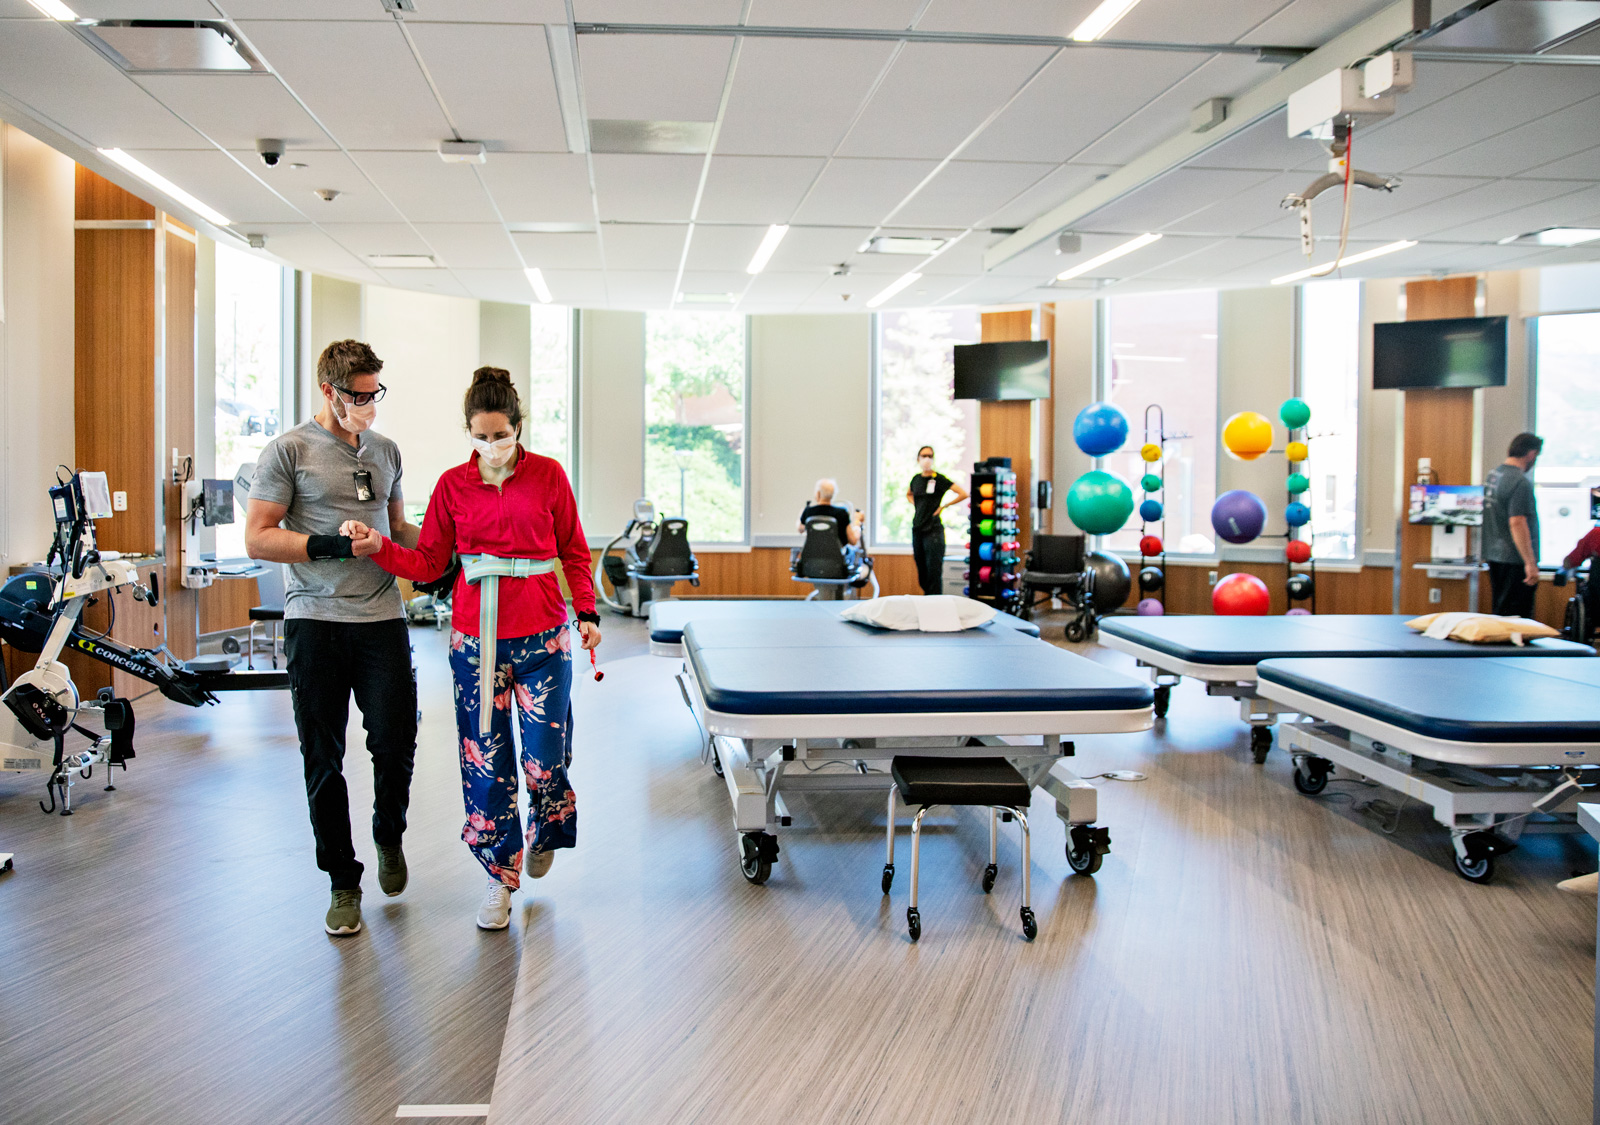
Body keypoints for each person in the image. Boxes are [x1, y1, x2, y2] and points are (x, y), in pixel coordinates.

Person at [347, 367, 600, 932]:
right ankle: (498, 876)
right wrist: (377, 548)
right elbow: (429, 563)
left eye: (501, 434)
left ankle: (544, 828)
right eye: (480, 436)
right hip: (475, 645)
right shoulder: (451, 486)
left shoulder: (550, 477)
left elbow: (575, 552)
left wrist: (586, 612)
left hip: (544, 640)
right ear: (468, 432)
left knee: (545, 759)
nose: (492, 446)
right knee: (485, 764)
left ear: (518, 428)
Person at [245, 339, 419, 938]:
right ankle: (342, 881)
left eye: (376, 394)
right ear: (329, 390)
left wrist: (453, 544)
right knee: (324, 757)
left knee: (395, 742)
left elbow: (398, 527)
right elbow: (259, 538)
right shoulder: (287, 451)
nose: (369, 406)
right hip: (315, 620)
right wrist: (329, 545)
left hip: (382, 618)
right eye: (358, 396)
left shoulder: (387, 451)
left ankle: (388, 834)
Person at [1482, 432, 1543, 618]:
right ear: (1531, 454)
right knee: (1516, 618)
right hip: (1514, 560)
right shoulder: (1520, 482)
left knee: (1501, 612)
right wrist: (1530, 563)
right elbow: (1517, 522)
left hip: (1494, 556)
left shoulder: (1493, 476)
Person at [905, 446, 968, 596]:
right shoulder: (916, 479)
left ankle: (935, 605)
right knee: (922, 573)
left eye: (930, 456)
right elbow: (908, 494)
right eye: (923, 455)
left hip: (933, 530)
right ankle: (928, 601)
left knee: (933, 571)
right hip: (918, 528)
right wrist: (917, 504)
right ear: (918, 458)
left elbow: (963, 493)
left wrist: (944, 506)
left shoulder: (938, 479)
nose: (926, 458)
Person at [797, 478, 862, 553]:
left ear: (818, 494)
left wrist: (801, 514)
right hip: (837, 560)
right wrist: (857, 523)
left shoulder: (808, 512)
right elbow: (853, 541)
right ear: (833, 495)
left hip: (812, 560)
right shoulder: (841, 513)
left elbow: (800, 529)